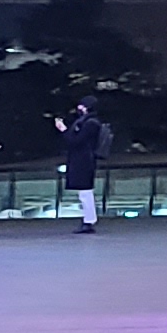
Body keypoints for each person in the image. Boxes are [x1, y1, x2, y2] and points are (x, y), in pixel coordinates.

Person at [59, 98, 108, 233]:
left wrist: (64, 130)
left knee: (85, 191)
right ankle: (88, 219)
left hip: (84, 160)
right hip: (85, 159)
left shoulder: (90, 123)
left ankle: (89, 220)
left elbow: (76, 141)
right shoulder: (90, 122)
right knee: (85, 192)